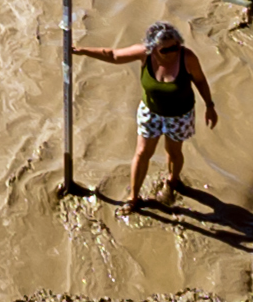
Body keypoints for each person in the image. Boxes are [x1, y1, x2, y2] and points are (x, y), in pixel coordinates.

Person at [72, 20, 218, 210]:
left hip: (179, 114)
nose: (172, 52)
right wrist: (81, 50)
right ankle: (133, 198)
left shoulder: (187, 57)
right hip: (151, 113)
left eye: (175, 46)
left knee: (173, 152)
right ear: (153, 48)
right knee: (142, 153)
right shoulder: (144, 54)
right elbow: (113, 55)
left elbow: (200, 80)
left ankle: (173, 181)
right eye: (165, 50)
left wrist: (209, 105)